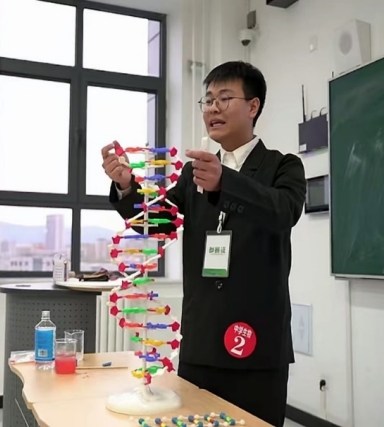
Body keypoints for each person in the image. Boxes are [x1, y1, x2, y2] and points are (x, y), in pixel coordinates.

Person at [100, 61, 306, 426]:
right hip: (202, 339)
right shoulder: (193, 172)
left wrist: (226, 182)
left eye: (224, 98)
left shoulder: (282, 166)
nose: (212, 108)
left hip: (256, 340)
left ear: (253, 106)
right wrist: (127, 187)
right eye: (208, 100)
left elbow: (283, 211)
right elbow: (158, 222)